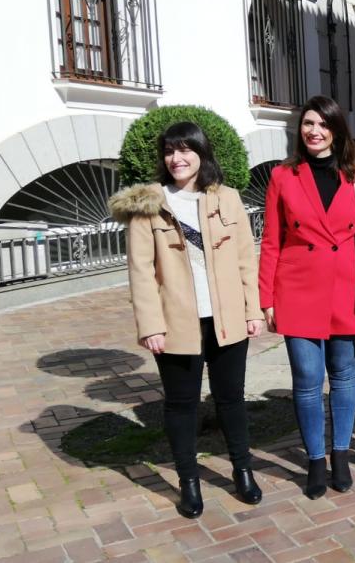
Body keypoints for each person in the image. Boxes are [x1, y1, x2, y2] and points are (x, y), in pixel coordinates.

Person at [108, 122, 264, 519]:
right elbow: (140, 271)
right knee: (181, 405)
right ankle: (189, 481)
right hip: (178, 322)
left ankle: (242, 470)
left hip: (227, 318)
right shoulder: (149, 204)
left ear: (201, 153)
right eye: (169, 151)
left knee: (231, 399)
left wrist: (252, 310)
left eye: (185, 150)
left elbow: (246, 259)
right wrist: (150, 325)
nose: (176, 158)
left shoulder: (226, 199)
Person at [258, 95, 355, 499]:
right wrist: (266, 298)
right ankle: (314, 460)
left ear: (337, 130)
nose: (314, 131)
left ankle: (341, 454)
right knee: (307, 380)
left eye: (323, 124)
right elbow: (271, 239)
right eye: (308, 123)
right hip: (297, 287)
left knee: (344, 375)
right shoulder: (282, 176)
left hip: (346, 287)